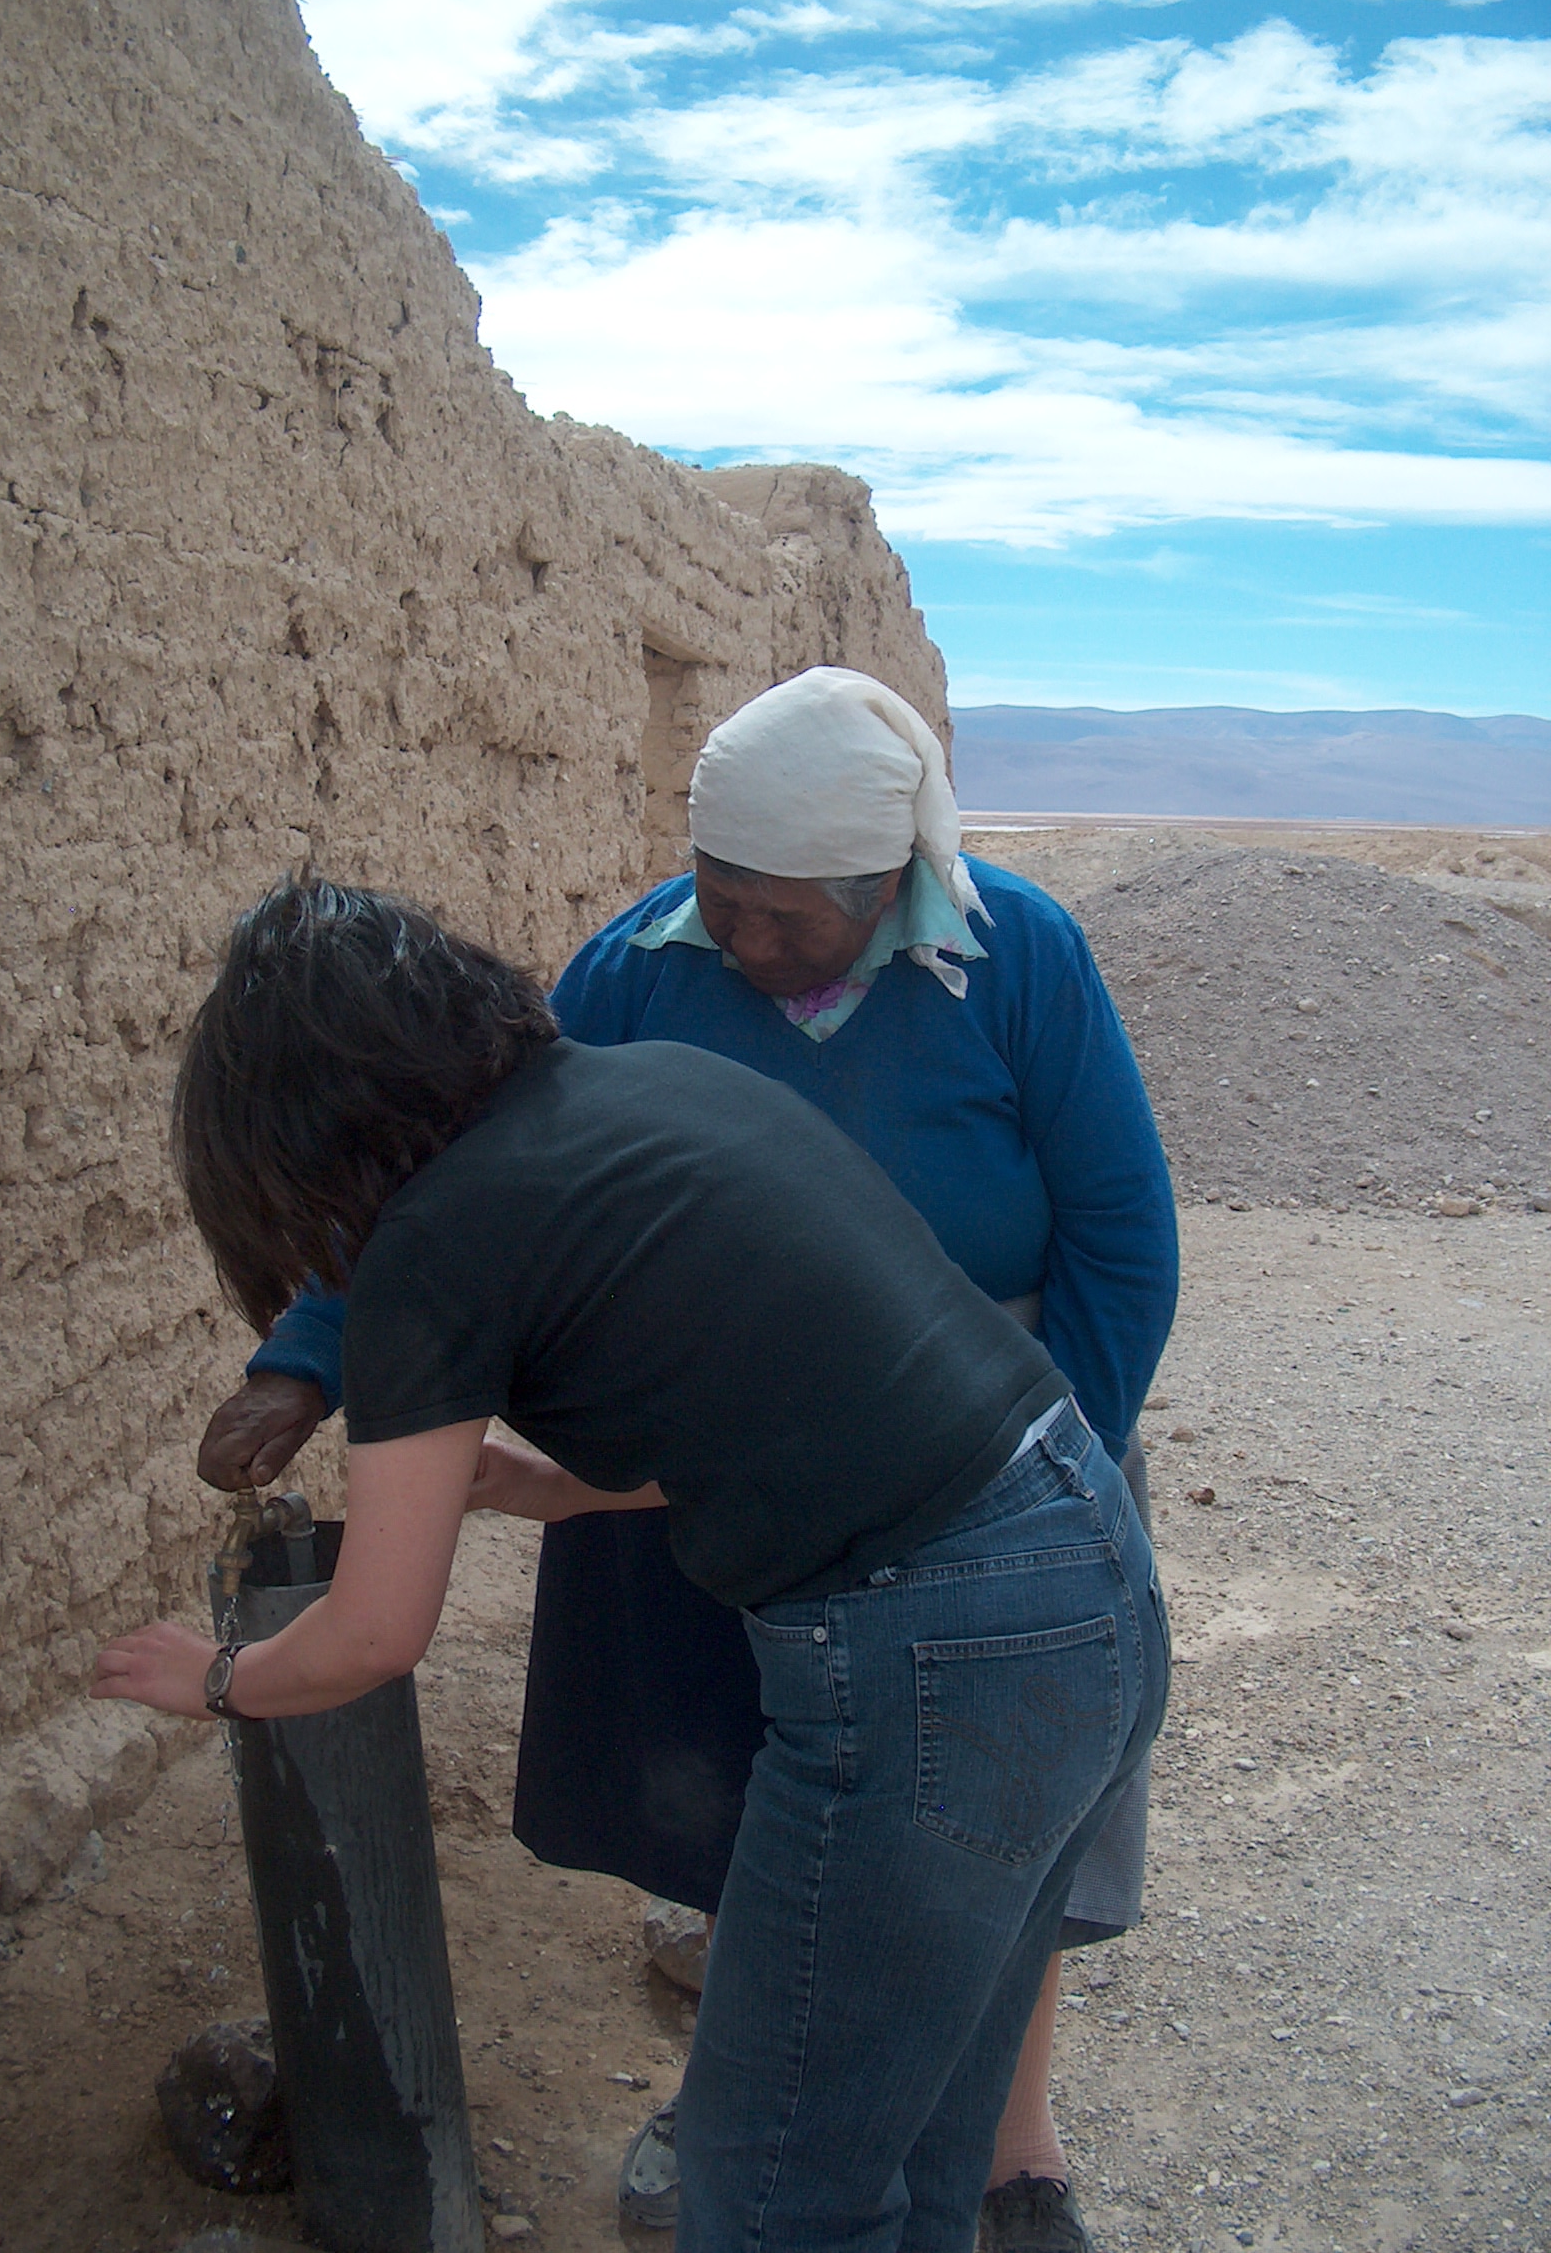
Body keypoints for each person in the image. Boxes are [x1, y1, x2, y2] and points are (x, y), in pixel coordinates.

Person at [210, 669, 1178, 2249]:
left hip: (967, 1460)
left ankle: (1001, 2144)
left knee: (949, 1856)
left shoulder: (1020, 960)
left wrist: (1026, 1444)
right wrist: (298, 1364)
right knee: (772, 1803)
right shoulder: (646, 967)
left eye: (784, 915)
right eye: (719, 898)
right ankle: (797, 2081)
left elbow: (1125, 1240)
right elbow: (441, 1165)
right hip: (758, 1471)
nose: (741, 940)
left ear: (890, 885)